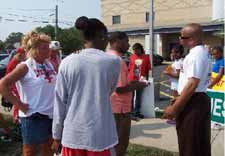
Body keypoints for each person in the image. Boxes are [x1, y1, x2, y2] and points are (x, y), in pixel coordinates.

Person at [52, 16, 120, 156]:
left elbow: (59, 102)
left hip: (73, 133)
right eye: (106, 36)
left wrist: (56, 134)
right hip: (100, 134)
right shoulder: (113, 61)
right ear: (101, 35)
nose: (107, 40)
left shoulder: (67, 62)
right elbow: (109, 90)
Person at [0, 31, 56, 156]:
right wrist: (18, 103)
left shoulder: (49, 64)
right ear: (34, 49)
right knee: (31, 151)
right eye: (44, 48)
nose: (49, 50)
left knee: (49, 150)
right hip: (33, 116)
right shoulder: (25, 67)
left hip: (51, 115)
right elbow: (3, 84)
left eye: (48, 47)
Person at [163, 23, 211, 156]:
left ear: (192, 39)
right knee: (198, 142)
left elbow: (192, 84)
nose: (179, 39)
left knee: (190, 144)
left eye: (181, 37)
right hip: (196, 99)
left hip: (193, 100)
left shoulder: (196, 55)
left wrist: (175, 108)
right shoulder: (201, 52)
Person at [107, 32, 148, 156]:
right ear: (117, 41)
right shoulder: (117, 60)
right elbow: (119, 89)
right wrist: (138, 85)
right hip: (119, 109)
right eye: (126, 41)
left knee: (111, 144)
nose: (128, 45)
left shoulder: (108, 56)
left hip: (111, 106)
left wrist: (130, 82)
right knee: (120, 144)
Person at [128, 43, 151, 118]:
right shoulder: (131, 57)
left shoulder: (146, 57)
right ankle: (130, 112)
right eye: (133, 50)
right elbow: (129, 68)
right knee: (131, 96)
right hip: (131, 79)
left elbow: (148, 69)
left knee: (139, 96)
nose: (135, 52)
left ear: (140, 49)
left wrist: (147, 80)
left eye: (136, 50)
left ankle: (136, 112)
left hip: (141, 79)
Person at [5, 47, 26, 123]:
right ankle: (16, 119)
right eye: (24, 54)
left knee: (18, 101)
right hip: (14, 86)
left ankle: (16, 119)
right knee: (18, 101)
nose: (25, 56)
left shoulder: (16, 62)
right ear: (20, 54)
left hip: (14, 85)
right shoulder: (14, 63)